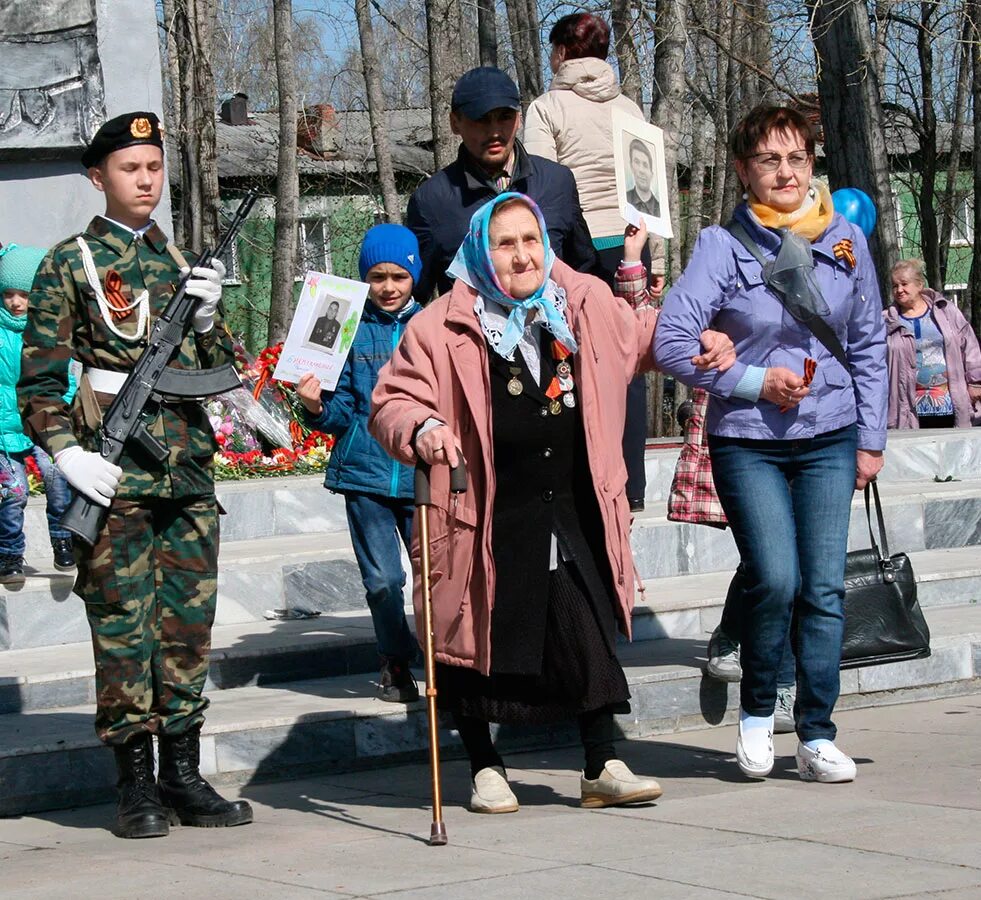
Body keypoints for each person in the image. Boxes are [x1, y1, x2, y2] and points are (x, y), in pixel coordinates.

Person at [370, 192, 734, 813]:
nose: (521, 255)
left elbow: (645, 339)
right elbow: (391, 401)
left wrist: (704, 341)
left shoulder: (582, 307)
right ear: (482, 252)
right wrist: (422, 427)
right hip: (478, 508)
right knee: (470, 636)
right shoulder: (442, 325)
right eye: (505, 244)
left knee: (583, 619)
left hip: (568, 500)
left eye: (531, 240)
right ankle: (485, 766)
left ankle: (602, 761)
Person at [18, 111, 252, 838]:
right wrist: (67, 454)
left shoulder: (185, 263)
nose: (145, 179)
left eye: (153, 167)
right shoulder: (69, 263)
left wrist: (210, 316)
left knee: (187, 630)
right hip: (113, 478)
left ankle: (183, 776)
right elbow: (39, 387)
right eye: (129, 168)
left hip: (185, 475)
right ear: (99, 177)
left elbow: (224, 368)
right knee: (124, 631)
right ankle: (135, 787)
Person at [654, 105, 888, 784]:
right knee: (775, 578)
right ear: (742, 170)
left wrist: (869, 439)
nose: (785, 173)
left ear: (811, 164)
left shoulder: (845, 240)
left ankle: (815, 732)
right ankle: (757, 713)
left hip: (831, 437)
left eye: (796, 158)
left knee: (821, 589)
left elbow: (869, 344)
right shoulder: (719, 247)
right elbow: (670, 343)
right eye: (768, 160)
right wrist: (751, 380)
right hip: (747, 440)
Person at [523, 12, 665, 513]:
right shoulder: (631, 108)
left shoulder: (546, 108)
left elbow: (540, 185)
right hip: (633, 244)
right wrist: (655, 257)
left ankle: (586, 475)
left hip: (577, 248)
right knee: (630, 356)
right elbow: (652, 195)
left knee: (573, 357)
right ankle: (632, 484)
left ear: (561, 53)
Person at [296, 224, 422, 703]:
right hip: (364, 474)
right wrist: (314, 406)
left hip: (421, 476)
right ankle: (394, 661)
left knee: (432, 580)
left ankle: (442, 661)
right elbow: (341, 409)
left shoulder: (431, 325)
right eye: (377, 277)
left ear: (414, 276)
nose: (388, 287)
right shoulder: (346, 329)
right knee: (384, 581)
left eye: (398, 277)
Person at [405, 66, 600, 304]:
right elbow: (413, 296)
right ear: (455, 123)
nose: (495, 131)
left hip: (551, 337)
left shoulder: (556, 182)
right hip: (471, 338)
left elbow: (585, 270)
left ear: (519, 118)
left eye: (504, 117)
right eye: (481, 119)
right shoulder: (431, 201)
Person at [0, 244, 76, 584]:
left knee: (58, 476)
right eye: (8, 294)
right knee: (13, 491)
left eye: (24, 294)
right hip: (4, 428)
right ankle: (9, 553)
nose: (16, 302)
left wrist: (62, 404)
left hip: (42, 423)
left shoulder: (47, 330)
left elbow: (66, 377)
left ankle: (64, 540)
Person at [885, 258, 981, 429]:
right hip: (907, 408)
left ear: (920, 285)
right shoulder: (886, 321)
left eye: (904, 284)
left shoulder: (945, 311)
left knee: (955, 453)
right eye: (894, 285)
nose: (899, 290)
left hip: (950, 404)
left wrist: (975, 382)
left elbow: (970, 346)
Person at [625, 139, 661, 219]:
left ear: (651, 173)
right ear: (631, 166)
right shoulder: (624, 201)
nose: (641, 170)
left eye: (645, 165)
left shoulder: (660, 211)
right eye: (637, 162)